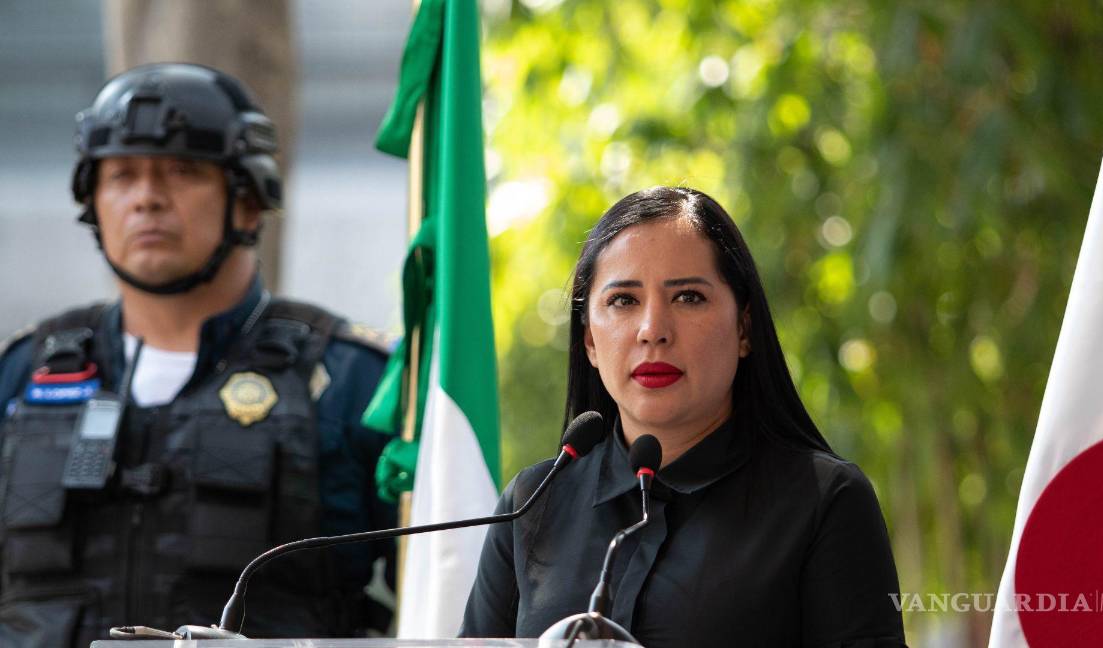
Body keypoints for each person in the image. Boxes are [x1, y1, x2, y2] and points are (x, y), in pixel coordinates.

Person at [0, 63, 395, 647]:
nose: (146, 199)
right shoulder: (21, 373)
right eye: (121, 175)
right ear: (93, 202)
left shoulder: (350, 378)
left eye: (182, 172)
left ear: (249, 201)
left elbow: (451, 590)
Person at [461, 187, 906, 646]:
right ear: (590, 340)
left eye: (688, 297)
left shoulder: (824, 501)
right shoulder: (532, 505)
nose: (653, 330)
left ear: (744, 328)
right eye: (623, 300)